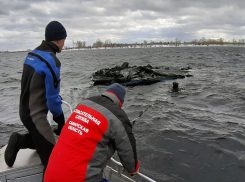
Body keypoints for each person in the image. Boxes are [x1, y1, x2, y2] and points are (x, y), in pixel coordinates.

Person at [4, 21, 67, 174]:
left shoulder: (32, 54)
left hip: (24, 110)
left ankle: (20, 140)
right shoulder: (52, 61)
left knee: (43, 140)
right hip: (36, 116)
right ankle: (20, 140)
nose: (64, 45)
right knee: (53, 160)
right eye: (64, 40)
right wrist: (60, 121)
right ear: (58, 39)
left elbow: (36, 86)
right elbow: (52, 100)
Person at [44, 83, 139, 182]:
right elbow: (128, 154)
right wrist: (133, 169)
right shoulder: (118, 116)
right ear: (120, 101)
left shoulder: (84, 103)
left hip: (50, 175)